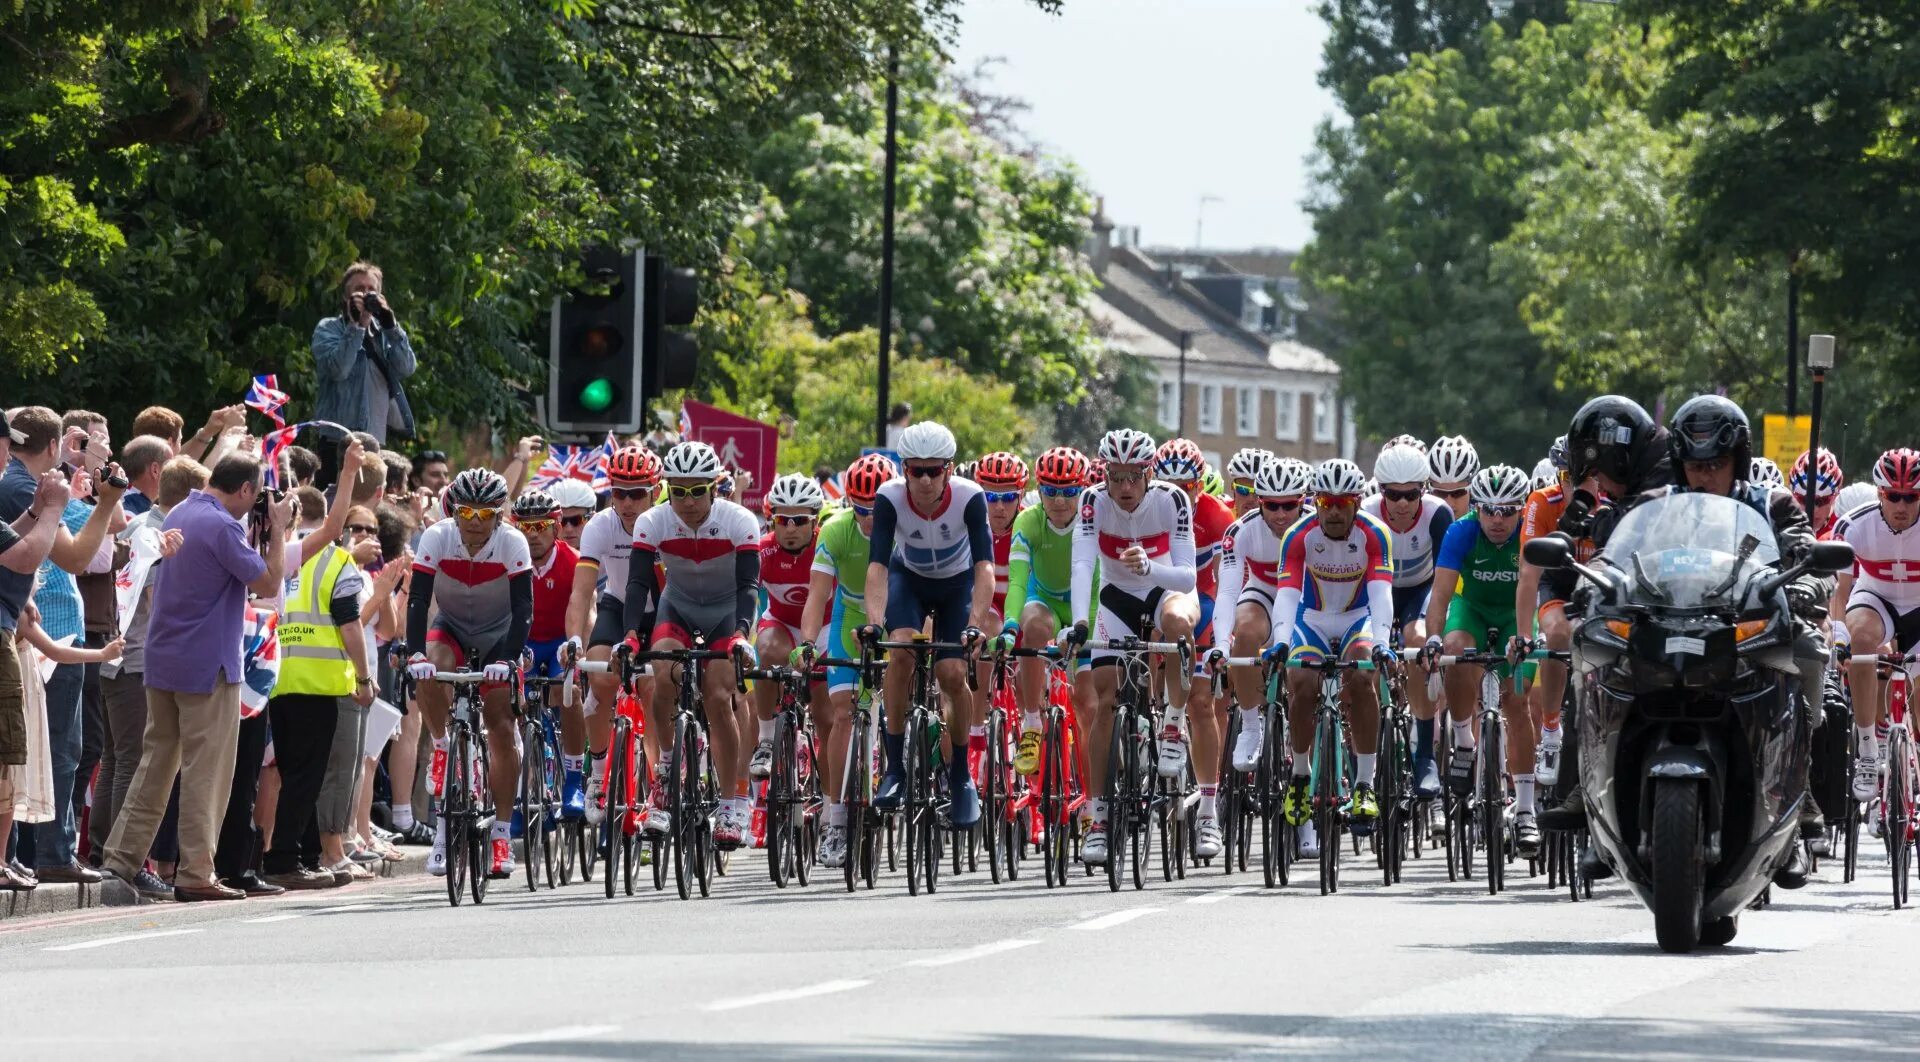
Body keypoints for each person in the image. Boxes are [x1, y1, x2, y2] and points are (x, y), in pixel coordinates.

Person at [103, 452, 294, 902]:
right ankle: (196, 872)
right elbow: (268, 584)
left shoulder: (183, 510)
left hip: (163, 660)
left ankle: (120, 858)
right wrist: (280, 530)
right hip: (207, 666)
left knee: (156, 765)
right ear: (245, 489)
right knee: (207, 772)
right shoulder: (224, 526)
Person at [1, 406, 125, 884]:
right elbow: (75, 556)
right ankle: (47, 853)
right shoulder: (21, 486)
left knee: (46, 752)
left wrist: (73, 473)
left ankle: (35, 853)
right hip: (35, 635)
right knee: (38, 753)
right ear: (52, 446)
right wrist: (108, 500)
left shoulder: (25, 481)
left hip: (34, 630)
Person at [1063, 428, 1198, 865]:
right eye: (1115, 477)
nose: (1124, 488)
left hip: (1165, 593)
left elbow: (1188, 576)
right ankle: (1099, 816)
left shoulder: (1171, 500)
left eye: (1133, 477)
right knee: (1104, 699)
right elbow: (1083, 564)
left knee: (1178, 622)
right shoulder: (1091, 501)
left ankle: (1174, 724)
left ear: (1149, 473)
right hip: (1115, 600)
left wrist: (1150, 567)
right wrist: (1080, 623)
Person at [624, 442, 762, 845]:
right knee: (662, 677)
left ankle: (734, 801)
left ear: (715, 487)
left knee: (720, 696)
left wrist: (741, 632)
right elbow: (636, 583)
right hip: (679, 608)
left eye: (696, 490)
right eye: (677, 490)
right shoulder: (653, 521)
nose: (686, 500)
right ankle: (666, 772)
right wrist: (632, 634)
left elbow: (749, 585)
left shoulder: (739, 520)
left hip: (725, 611)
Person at [1262, 459, 1395, 858]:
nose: (1333, 511)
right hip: (1312, 621)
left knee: (1361, 675)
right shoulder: (1299, 535)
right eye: (1325, 502)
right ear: (1315, 503)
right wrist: (1282, 642)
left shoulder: (1375, 534)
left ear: (1356, 503)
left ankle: (1364, 785)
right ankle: (1301, 777)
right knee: (1301, 683)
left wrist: (1382, 643)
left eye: (1342, 503)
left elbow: (1381, 594)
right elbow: (1286, 594)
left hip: (1358, 620)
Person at [405, 468, 533, 880]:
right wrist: (413, 653)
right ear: (453, 511)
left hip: (499, 635)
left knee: (499, 725)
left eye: (484, 515)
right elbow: (418, 598)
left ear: (499, 515)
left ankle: (499, 833)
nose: (473, 524)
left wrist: (509, 659)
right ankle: (443, 746)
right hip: (453, 627)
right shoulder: (437, 537)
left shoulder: (512, 543)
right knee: (430, 666)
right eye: (465, 513)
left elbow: (524, 610)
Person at [259, 488, 378, 891]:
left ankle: (308, 856)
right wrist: (363, 677)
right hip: (320, 683)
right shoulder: (335, 559)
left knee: (296, 775)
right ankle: (284, 859)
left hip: (279, 681)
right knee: (307, 779)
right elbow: (350, 624)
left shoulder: (279, 552)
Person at [1420, 465, 1537, 856]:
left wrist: (1523, 637)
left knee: (1517, 703)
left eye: (1508, 510)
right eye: (1489, 510)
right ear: (1478, 508)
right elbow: (1441, 594)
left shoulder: (1528, 534)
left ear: (1521, 510)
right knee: (1453, 648)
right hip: (1471, 609)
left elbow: (1530, 586)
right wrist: (1433, 638)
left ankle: (1524, 810)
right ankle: (1465, 741)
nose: (1498, 520)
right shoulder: (1462, 531)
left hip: (1515, 615)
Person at [92, 456, 197, 872]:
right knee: (131, 763)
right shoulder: (153, 532)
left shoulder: (143, 526)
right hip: (135, 659)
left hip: (122, 657)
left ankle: (104, 852)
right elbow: (155, 605)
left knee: (118, 760)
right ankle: (123, 864)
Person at [799, 454, 895, 867]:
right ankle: (836, 819)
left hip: (895, 616)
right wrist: (805, 642)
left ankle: (897, 773)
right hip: (849, 616)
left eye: (878, 510)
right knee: (842, 712)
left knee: (896, 707)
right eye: (861, 510)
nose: (870, 519)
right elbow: (817, 594)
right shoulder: (836, 531)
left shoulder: (906, 529)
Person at [1149, 439, 1233, 860]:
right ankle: (1157, 726)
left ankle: (1208, 813)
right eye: (1169, 485)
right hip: (1158, 599)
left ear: (1202, 486)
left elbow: (1225, 578)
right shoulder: (1147, 509)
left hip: (1205, 600)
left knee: (1203, 704)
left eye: (1187, 486)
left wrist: (1220, 639)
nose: (1179, 494)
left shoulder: (1218, 516)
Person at [568, 446, 659, 823]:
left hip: (661, 611)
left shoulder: (665, 522)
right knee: (600, 675)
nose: (626, 502)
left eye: (636, 493)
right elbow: (582, 590)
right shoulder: (599, 526)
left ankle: (661, 777)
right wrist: (574, 638)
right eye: (619, 492)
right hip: (618, 606)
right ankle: (598, 771)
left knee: (656, 689)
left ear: (655, 490)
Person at [1362, 442, 1454, 796]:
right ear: (1381, 490)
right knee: (1364, 652)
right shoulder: (1368, 512)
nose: (1401, 504)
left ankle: (1424, 756)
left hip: (1420, 590)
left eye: (1411, 495)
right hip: (1377, 589)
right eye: (1393, 495)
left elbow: (1447, 578)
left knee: (1417, 640)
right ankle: (1362, 764)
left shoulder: (1438, 513)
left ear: (1424, 491)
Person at [1834, 449, 1920, 809]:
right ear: (1879, 493)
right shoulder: (1854, 525)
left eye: (1912, 497)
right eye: (1892, 496)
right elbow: (1840, 592)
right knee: (1861, 638)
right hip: (1876, 598)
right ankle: (1869, 749)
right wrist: (1840, 637)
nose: (1901, 505)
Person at [1004, 447, 1089, 778]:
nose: (1059, 501)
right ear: (1038, 490)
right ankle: (1032, 722)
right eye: (1051, 491)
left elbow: (1095, 589)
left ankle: (1091, 802)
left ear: (1082, 490)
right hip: (1047, 601)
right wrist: (1011, 624)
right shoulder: (1028, 520)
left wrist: (1083, 629)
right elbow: (1017, 582)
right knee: (1034, 626)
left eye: (1069, 492)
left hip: (1086, 603)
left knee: (1089, 705)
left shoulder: (1090, 519)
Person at [748, 474, 828, 780]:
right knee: (766, 649)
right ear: (772, 520)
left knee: (825, 713)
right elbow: (745, 598)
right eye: (782, 520)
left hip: (823, 629)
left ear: (815, 521)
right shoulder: (762, 550)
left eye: (800, 520)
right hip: (781, 624)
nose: (790, 528)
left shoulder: (825, 545)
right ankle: (767, 739)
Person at [312, 261, 417, 446]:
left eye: (371, 290)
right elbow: (339, 370)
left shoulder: (385, 334)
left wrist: (391, 326)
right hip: (337, 440)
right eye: (359, 289)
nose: (366, 294)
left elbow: (407, 368)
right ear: (346, 296)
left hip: (375, 441)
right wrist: (357, 326)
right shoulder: (329, 328)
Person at [1427, 436, 1480, 520]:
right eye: (1440, 493)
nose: (1450, 503)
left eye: (1458, 493)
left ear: (1472, 490)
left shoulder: (1486, 522)